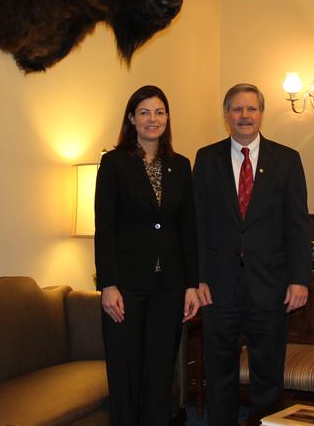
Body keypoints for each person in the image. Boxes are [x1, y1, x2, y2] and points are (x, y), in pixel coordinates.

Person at [193, 83, 311, 424]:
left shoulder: (287, 160)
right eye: (237, 109)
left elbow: (297, 225)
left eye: (251, 109)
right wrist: (197, 277)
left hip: (270, 285)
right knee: (220, 372)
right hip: (218, 286)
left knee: (268, 374)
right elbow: (197, 224)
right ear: (226, 114)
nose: (244, 116)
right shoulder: (206, 158)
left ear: (261, 113)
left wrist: (299, 279)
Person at [94, 85, 200, 426]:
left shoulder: (180, 165)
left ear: (167, 119)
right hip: (126, 286)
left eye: (159, 112)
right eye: (144, 112)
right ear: (131, 119)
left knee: (159, 373)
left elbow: (188, 229)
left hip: (168, 286)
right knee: (125, 374)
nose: (152, 120)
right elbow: (104, 228)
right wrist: (108, 284)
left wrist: (191, 284)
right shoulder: (113, 163)